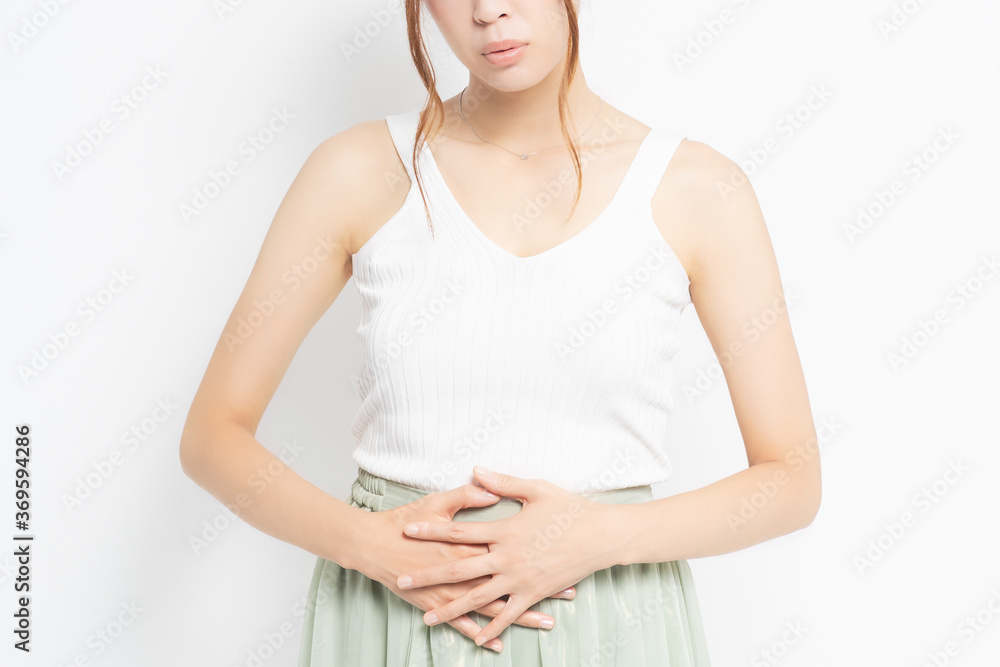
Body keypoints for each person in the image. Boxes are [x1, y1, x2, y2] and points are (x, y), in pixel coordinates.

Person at [179, 1, 822, 664]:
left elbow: (792, 480)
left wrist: (598, 536)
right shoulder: (358, 170)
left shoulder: (698, 189)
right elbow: (212, 436)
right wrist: (366, 544)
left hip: (611, 621)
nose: (489, 11)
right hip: (393, 609)